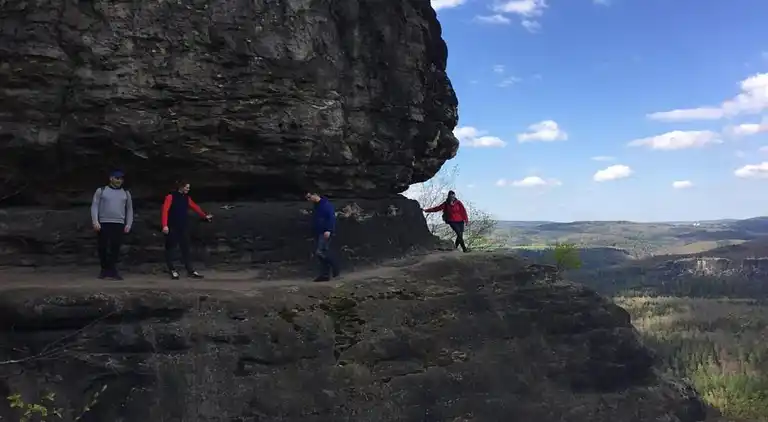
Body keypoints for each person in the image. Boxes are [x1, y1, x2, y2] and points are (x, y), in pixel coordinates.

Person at [161, 181, 213, 280]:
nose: (188, 189)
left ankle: (190, 270)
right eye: (187, 187)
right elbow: (165, 211)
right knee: (170, 248)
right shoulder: (170, 197)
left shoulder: (186, 198)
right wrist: (164, 225)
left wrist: (204, 216)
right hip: (172, 226)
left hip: (183, 226)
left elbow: (195, 207)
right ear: (181, 187)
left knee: (186, 248)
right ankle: (172, 269)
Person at [90, 169, 134, 280]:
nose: (119, 181)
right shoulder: (101, 190)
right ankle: (104, 269)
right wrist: (95, 221)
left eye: (121, 179)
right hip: (104, 222)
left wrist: (128, 223)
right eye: (117, 178)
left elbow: (129, 209)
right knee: (103, 247)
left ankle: (113, 270)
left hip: (118, 223)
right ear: (111, 178)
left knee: (116, 247)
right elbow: (94, 206)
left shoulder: (125, 193)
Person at [305, 192, 340, 282]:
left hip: (325, 232)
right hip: (319, 232)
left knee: (321, 252)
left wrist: (328, 230)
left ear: (315, 194)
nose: (308, 199)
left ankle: (335, 266)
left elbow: (331, 217)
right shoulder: (317, 206)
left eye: (309, 197)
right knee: (322, 253)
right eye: (307, 198)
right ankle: (325, 275)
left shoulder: (325, 205)